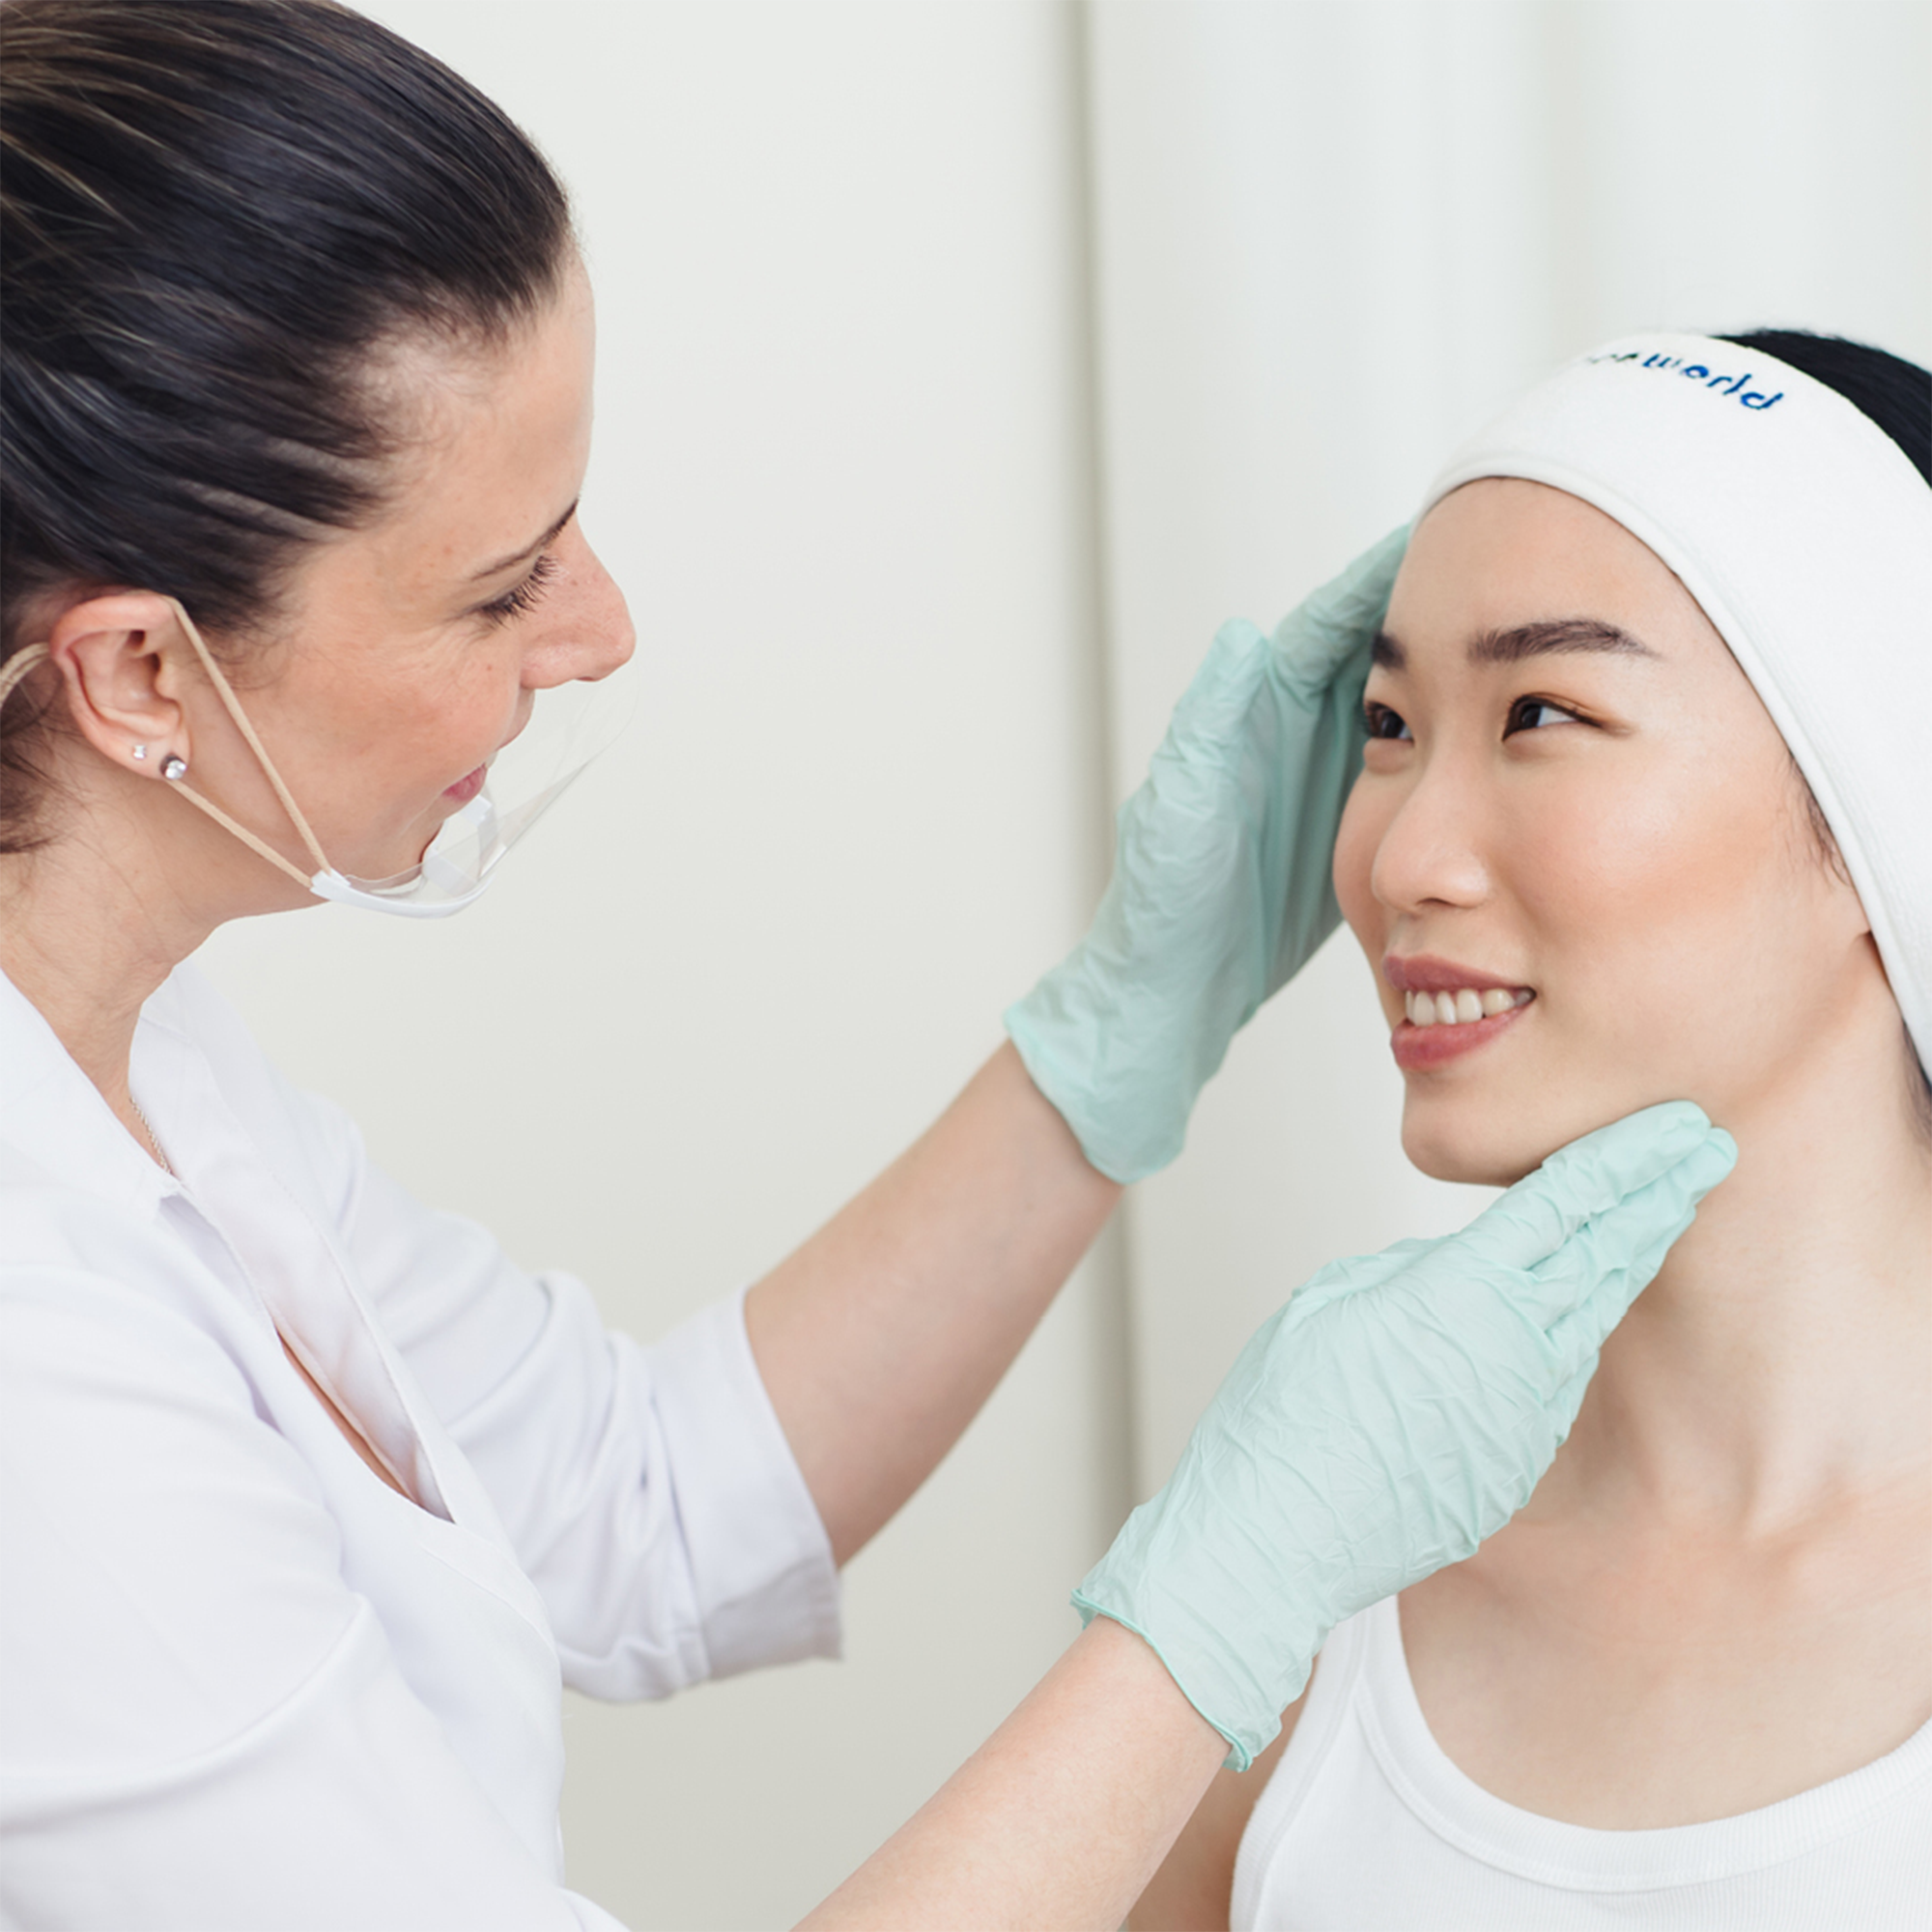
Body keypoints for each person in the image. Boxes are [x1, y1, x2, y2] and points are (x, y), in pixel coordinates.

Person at [0, 6, 1731, 1927]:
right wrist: (1221, 1604)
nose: (603, 627)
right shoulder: (38, 1373)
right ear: (140, 672)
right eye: (503, 586)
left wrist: (1119, 1037)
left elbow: (644, 1506)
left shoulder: (142, 1059)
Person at [1133, 329, 1932, 1929]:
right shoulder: (1293, 1601)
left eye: (1542, 713)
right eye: (1388, 727)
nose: (1400, 862)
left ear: (1875, 813)